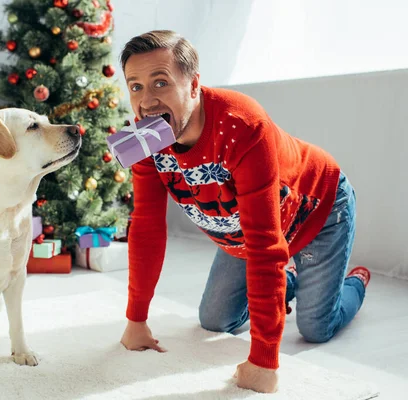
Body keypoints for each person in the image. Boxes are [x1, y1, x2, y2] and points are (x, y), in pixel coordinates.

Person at [118, 30, 370, 394]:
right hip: (242, 232)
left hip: (318, 212)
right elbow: (146, 227)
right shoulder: (142, 141)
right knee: (215, 321)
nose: (147, 101)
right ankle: (291, 279)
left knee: (316, 328)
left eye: (161, 82)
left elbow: (266, 245)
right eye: (136, 87)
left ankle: (354, 281)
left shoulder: (242, 124)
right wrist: (136, 319)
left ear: (193, 86)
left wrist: (265, 361)